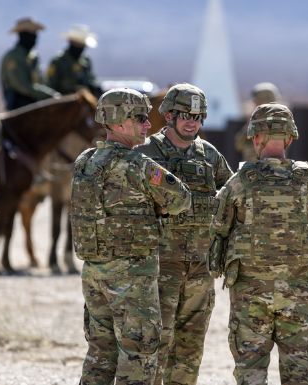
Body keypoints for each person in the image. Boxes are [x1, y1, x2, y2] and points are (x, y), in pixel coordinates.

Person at [70, 88, 192, 385]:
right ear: (119, 122)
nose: (148, 125)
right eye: (140, 118)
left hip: (94, 272)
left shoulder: (84, 162)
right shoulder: (138, 165)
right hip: (132, 276)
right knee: (139, 351)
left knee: (100, 352)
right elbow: (181, 199)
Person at [209, 103, 308, 385]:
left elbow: (219, 227)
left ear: (255, 138)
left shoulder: (239, 183)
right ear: (289, 138)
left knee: (250, 372)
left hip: (250, 293)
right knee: (298, 374)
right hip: (297, 291)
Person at [135, 83, 233, 385]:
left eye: (198, 115)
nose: (192, 121)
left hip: (200, 269)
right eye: (184, 115)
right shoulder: (146, 153)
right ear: (168, 116)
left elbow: (230, 198)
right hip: (159, 267)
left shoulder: (209, 155)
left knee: (191, 346)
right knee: (154, 343)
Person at [0, 17, 58, 111]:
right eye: (31, 34)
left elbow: (40, 81)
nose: (35, 38)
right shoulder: (13, 57)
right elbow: (22, 86)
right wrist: (49, 94)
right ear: (23, 35)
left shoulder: (33, 57)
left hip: (38, 106)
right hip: (18, 109)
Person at [46, 24, 103, 97]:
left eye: (81, 45)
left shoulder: (86, 61)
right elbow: (50, 84)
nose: (80, 48)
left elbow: (91, 79)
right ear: (71, 43)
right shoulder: (58, 61)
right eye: (77, 45)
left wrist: (94, 87)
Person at [235, 82, 284, 163]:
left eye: (258, 101)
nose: (255, 104)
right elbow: (239, 145)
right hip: (251, 169)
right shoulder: (255, 120)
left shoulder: (278, 123)